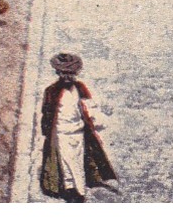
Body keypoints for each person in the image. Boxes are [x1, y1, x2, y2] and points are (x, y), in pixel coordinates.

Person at [38, 53, 116, 202]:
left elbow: (89, 107)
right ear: (58, 73)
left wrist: (94, 121)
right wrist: (47, 131)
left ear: (76, 74)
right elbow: (46, 112)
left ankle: (79, 188)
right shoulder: (51, 92)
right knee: (65, 161)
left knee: (78, 161)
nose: (67, 77)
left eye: (71, 74)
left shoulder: (80, 88)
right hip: (61, 133)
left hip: (78, 132)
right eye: (64, 73)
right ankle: (70, 190)